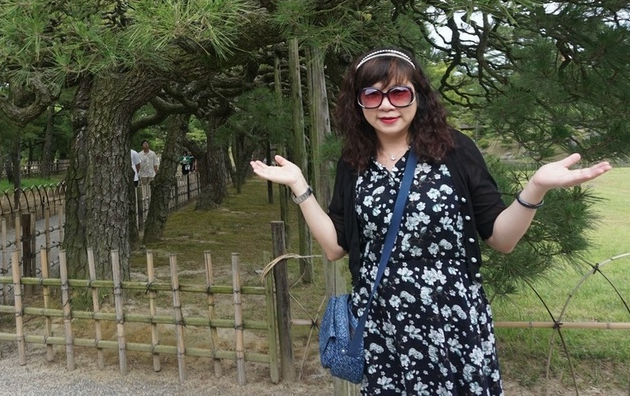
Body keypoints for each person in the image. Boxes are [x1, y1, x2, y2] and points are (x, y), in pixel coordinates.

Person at [250, 47, 611, 395]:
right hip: (383, 324)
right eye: (372, 95)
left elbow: (501, 239)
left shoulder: (455, 150)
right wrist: (299, 186)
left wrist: (536, 188)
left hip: (452, 319)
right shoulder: (353, 162)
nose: (387, 105)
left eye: (399, 93)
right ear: (358, 103)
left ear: (418, 96)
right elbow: (334, 247)